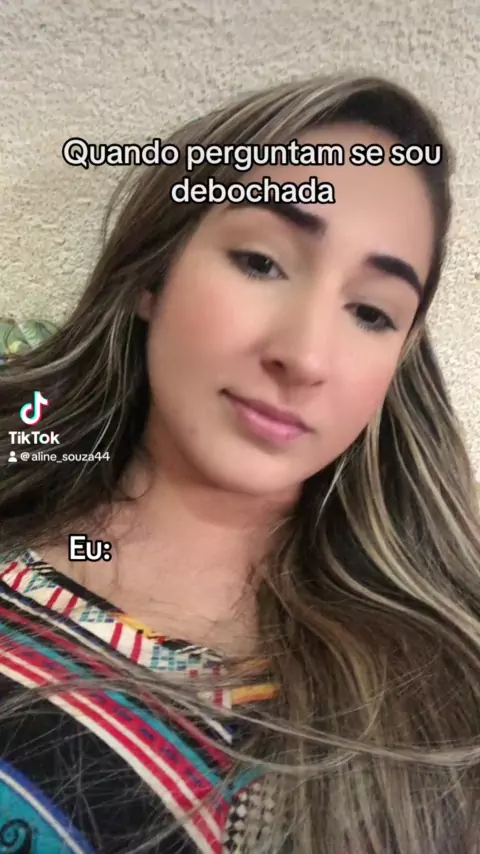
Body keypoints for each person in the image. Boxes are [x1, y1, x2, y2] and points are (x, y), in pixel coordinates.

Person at [0, 72, 479, 854]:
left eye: (371, 312)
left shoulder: (431, 721)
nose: (305, 356)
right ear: (155, 272)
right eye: (261, 262)